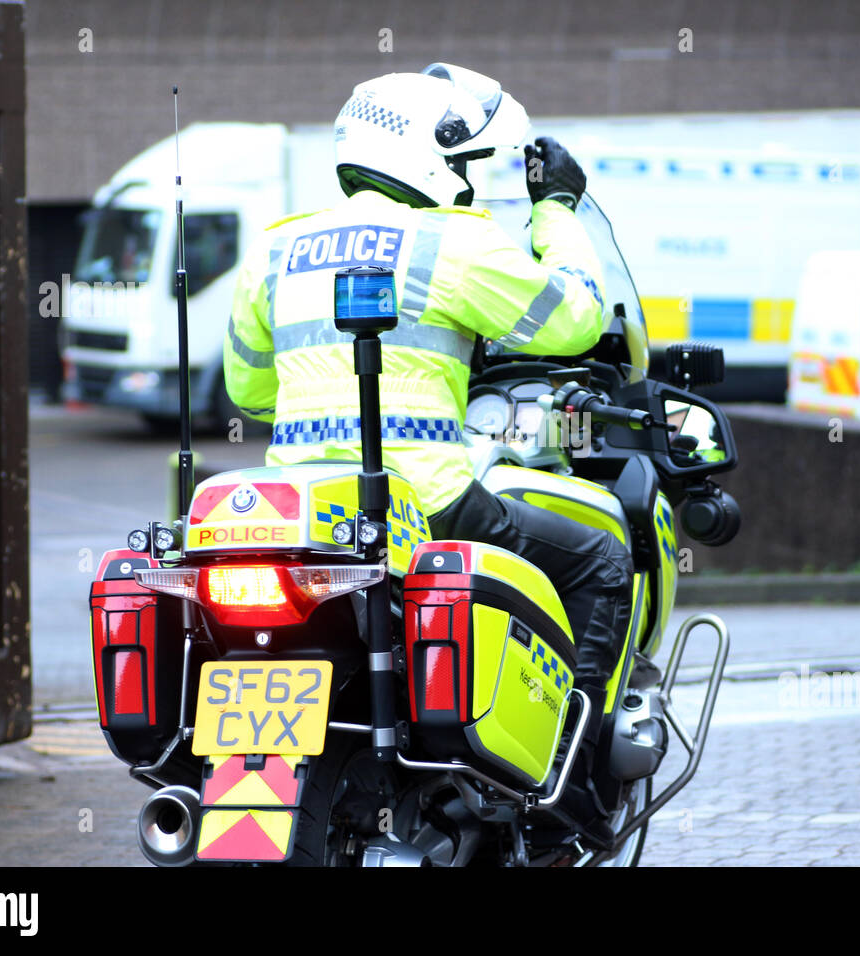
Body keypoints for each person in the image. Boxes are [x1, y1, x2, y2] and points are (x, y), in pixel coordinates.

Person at [223, 63, 632, 844]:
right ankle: (566, 791)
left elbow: (249, 391)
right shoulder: (454, 242)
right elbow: (574, 318)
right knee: (597, 559)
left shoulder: (274, 250)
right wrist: (556, 209)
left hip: (302, 512)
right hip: (423, 500)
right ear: (429, 156)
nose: (474, 180)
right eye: (468, 161)